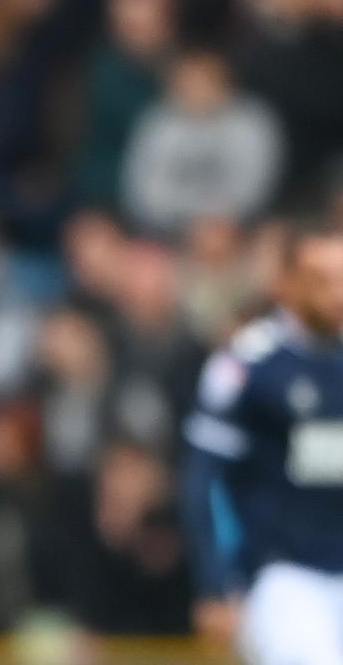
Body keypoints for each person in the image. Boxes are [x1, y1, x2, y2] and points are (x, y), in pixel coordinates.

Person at [182, 223, 343, 664]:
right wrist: (215, 584)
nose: (336, 295)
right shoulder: (248, 366)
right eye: (321, 279)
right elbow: (204, 482)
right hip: (284, 578)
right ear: (287, 282)